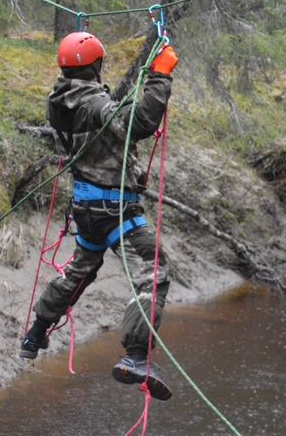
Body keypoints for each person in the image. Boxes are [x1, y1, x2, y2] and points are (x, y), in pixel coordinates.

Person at [19, 31, 178, 401]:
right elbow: (138, 123)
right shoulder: (94, 104)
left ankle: (36, 332)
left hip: (86, 208)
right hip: (113, 210)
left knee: (81, 268)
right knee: (153, 272)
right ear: (96, 66)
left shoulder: (57, 102)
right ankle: (137, 355)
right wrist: (160, 77)